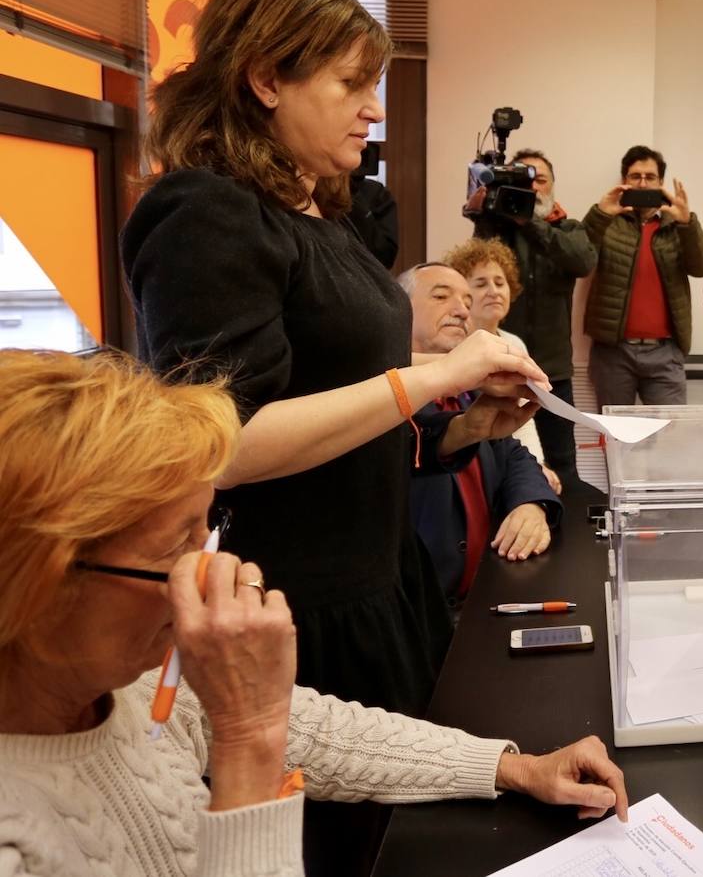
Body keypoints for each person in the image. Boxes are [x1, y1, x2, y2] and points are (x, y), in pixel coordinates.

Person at [119, 0, 549, 876]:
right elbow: (226, 447)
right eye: (351, 84)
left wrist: (472, 426)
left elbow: (356, 419)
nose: (372, 110)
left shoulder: (327, 217)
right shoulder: (205, 213)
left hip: (384, 582)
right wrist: (436, 380)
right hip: (300, 604)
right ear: (265, 79)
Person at [0, 348, 627, 877]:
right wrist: (249, 744)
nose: (215, 572)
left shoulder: (133, 687)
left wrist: (513, 766)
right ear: (40, 583)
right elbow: (268, 734)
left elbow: (318, 732)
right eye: (174, 551)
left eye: (208, 533)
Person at [400, 262, 562, 613]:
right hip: (417, 615)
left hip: (481, 605)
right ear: (398, 310)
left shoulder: (471, 396)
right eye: (442, 296)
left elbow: (515, 456)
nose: (461, 311)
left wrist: (531, 504)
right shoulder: (384, 402)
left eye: (466, 303)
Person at [466, 148, 593, 483]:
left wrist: (531, 222)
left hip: (554, 371)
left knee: (563, 463)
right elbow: (478, 266)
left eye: (542, 180)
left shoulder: (568, 228)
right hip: (502, 370)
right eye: (526, 181)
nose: (534, 188)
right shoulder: (499, 230)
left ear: (553, 187)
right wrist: (483, 213)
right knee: (503, 458)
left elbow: (582, 262)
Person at [584, 145, 703, 409]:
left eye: (650, 177)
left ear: (661, 182)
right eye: (635, 176)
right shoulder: (607, 219)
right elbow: (579, 260)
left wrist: (686, 222)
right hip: (613, 353)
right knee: (615, 436)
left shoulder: (676, 223)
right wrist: (599, 214)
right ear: (625, 181)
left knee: (670, 435)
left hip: (665, 353)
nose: (642, 183)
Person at [445, 237, 562, 494]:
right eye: (481, 283)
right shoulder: (449, 344)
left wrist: (537, 465)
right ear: (463, 295)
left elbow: (524, 416)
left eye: (500, 283)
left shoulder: (514, 342)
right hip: (467, 464)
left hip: (513, 460)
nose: (494, 291)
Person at [347, 167, 399, 268]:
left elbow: (385, 257)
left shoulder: (375, 193)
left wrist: (356, 201)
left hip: (364, 275)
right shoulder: (315, 191)